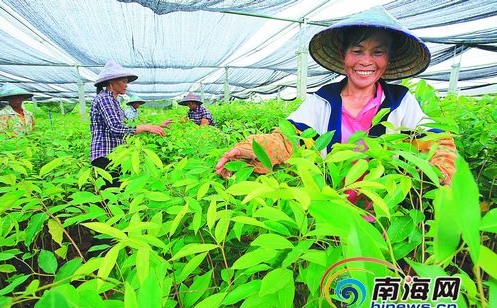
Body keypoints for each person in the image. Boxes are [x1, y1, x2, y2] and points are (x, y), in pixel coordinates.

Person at [215, 7, 456, 186]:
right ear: (344, 55)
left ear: (388, 58)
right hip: (331, 201)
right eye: (357, 51)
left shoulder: (400, 100)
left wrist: (441, 169)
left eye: (378, 52)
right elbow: (287, 139)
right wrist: (251, 149)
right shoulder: (322, 100)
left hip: (386, 210)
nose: (366, 61)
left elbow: (436, 141)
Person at [90, 60, 173, 186]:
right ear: (111, 82)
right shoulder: (105, 98)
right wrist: (146, 127)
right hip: (105, 155)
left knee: (120, 194)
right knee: (111, 197)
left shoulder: (114, 101)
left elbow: (128, 126)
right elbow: (116, 128)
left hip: (116, 155)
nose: (126, 85)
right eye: (124, 81)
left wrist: (155, 125)